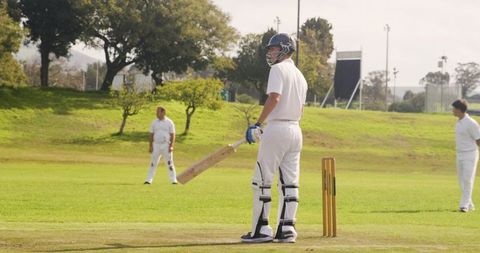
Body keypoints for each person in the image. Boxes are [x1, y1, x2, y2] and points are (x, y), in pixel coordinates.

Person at [241, 33, 308, 243]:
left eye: (274, 48)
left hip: (277, 128)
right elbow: (301, 109)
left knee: (262, 180)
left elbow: (274, 97)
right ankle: (287, 228)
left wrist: (258, 124)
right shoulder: (300, 75)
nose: (270, 52)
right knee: (290, 182)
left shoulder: (278, 69)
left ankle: (261, 229)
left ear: (286, 49)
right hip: (296, 130)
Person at [452, 99, 480, 212]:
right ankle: (470, 204)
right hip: (460, 155)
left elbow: (478, 140)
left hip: (470, 155)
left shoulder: (471, 123)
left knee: (468, 180)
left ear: (459, 110)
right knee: (462, 181)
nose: (452, 110)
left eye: (454, 108)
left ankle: (463, 206)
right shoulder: (458, 123)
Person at [144, 107, 178, 185]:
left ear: (163, 113)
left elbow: (172, 134)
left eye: (158, 112)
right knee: (153, 163)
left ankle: (173, 180)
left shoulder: (169, 122)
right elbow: (151, 134)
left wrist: (171, 146)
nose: (156, 114)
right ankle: (149, 180)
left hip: (166, 145)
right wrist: (150, 145)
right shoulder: (154, 122)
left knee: (169, 163)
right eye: (156, 112)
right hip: (156, 145)